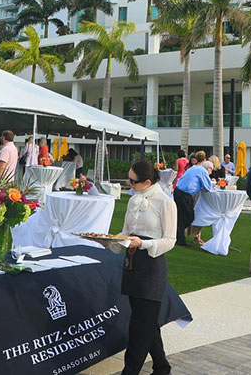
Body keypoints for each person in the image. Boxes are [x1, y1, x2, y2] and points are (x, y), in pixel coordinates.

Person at [104, 160, 176, 375]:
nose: (129, 184)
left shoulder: (165, 202)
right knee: (146, 322)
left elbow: (170, 240)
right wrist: (108, 242)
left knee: (139, 327)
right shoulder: (133, 200)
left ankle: (130, 371)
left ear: (146, 182)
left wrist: (143, 243)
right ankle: (162, 367)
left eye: (133, 181)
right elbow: (126, 234)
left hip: (152, 267)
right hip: (132, 265)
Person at [173, 151, 211, 246]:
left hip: (178, 191)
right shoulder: (202, 170)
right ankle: (178, 234)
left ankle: (179, 239)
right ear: (205, 160)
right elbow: (208, 187)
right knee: (189, 216)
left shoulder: (193, 168)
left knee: (181, 217)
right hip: (184, 194)